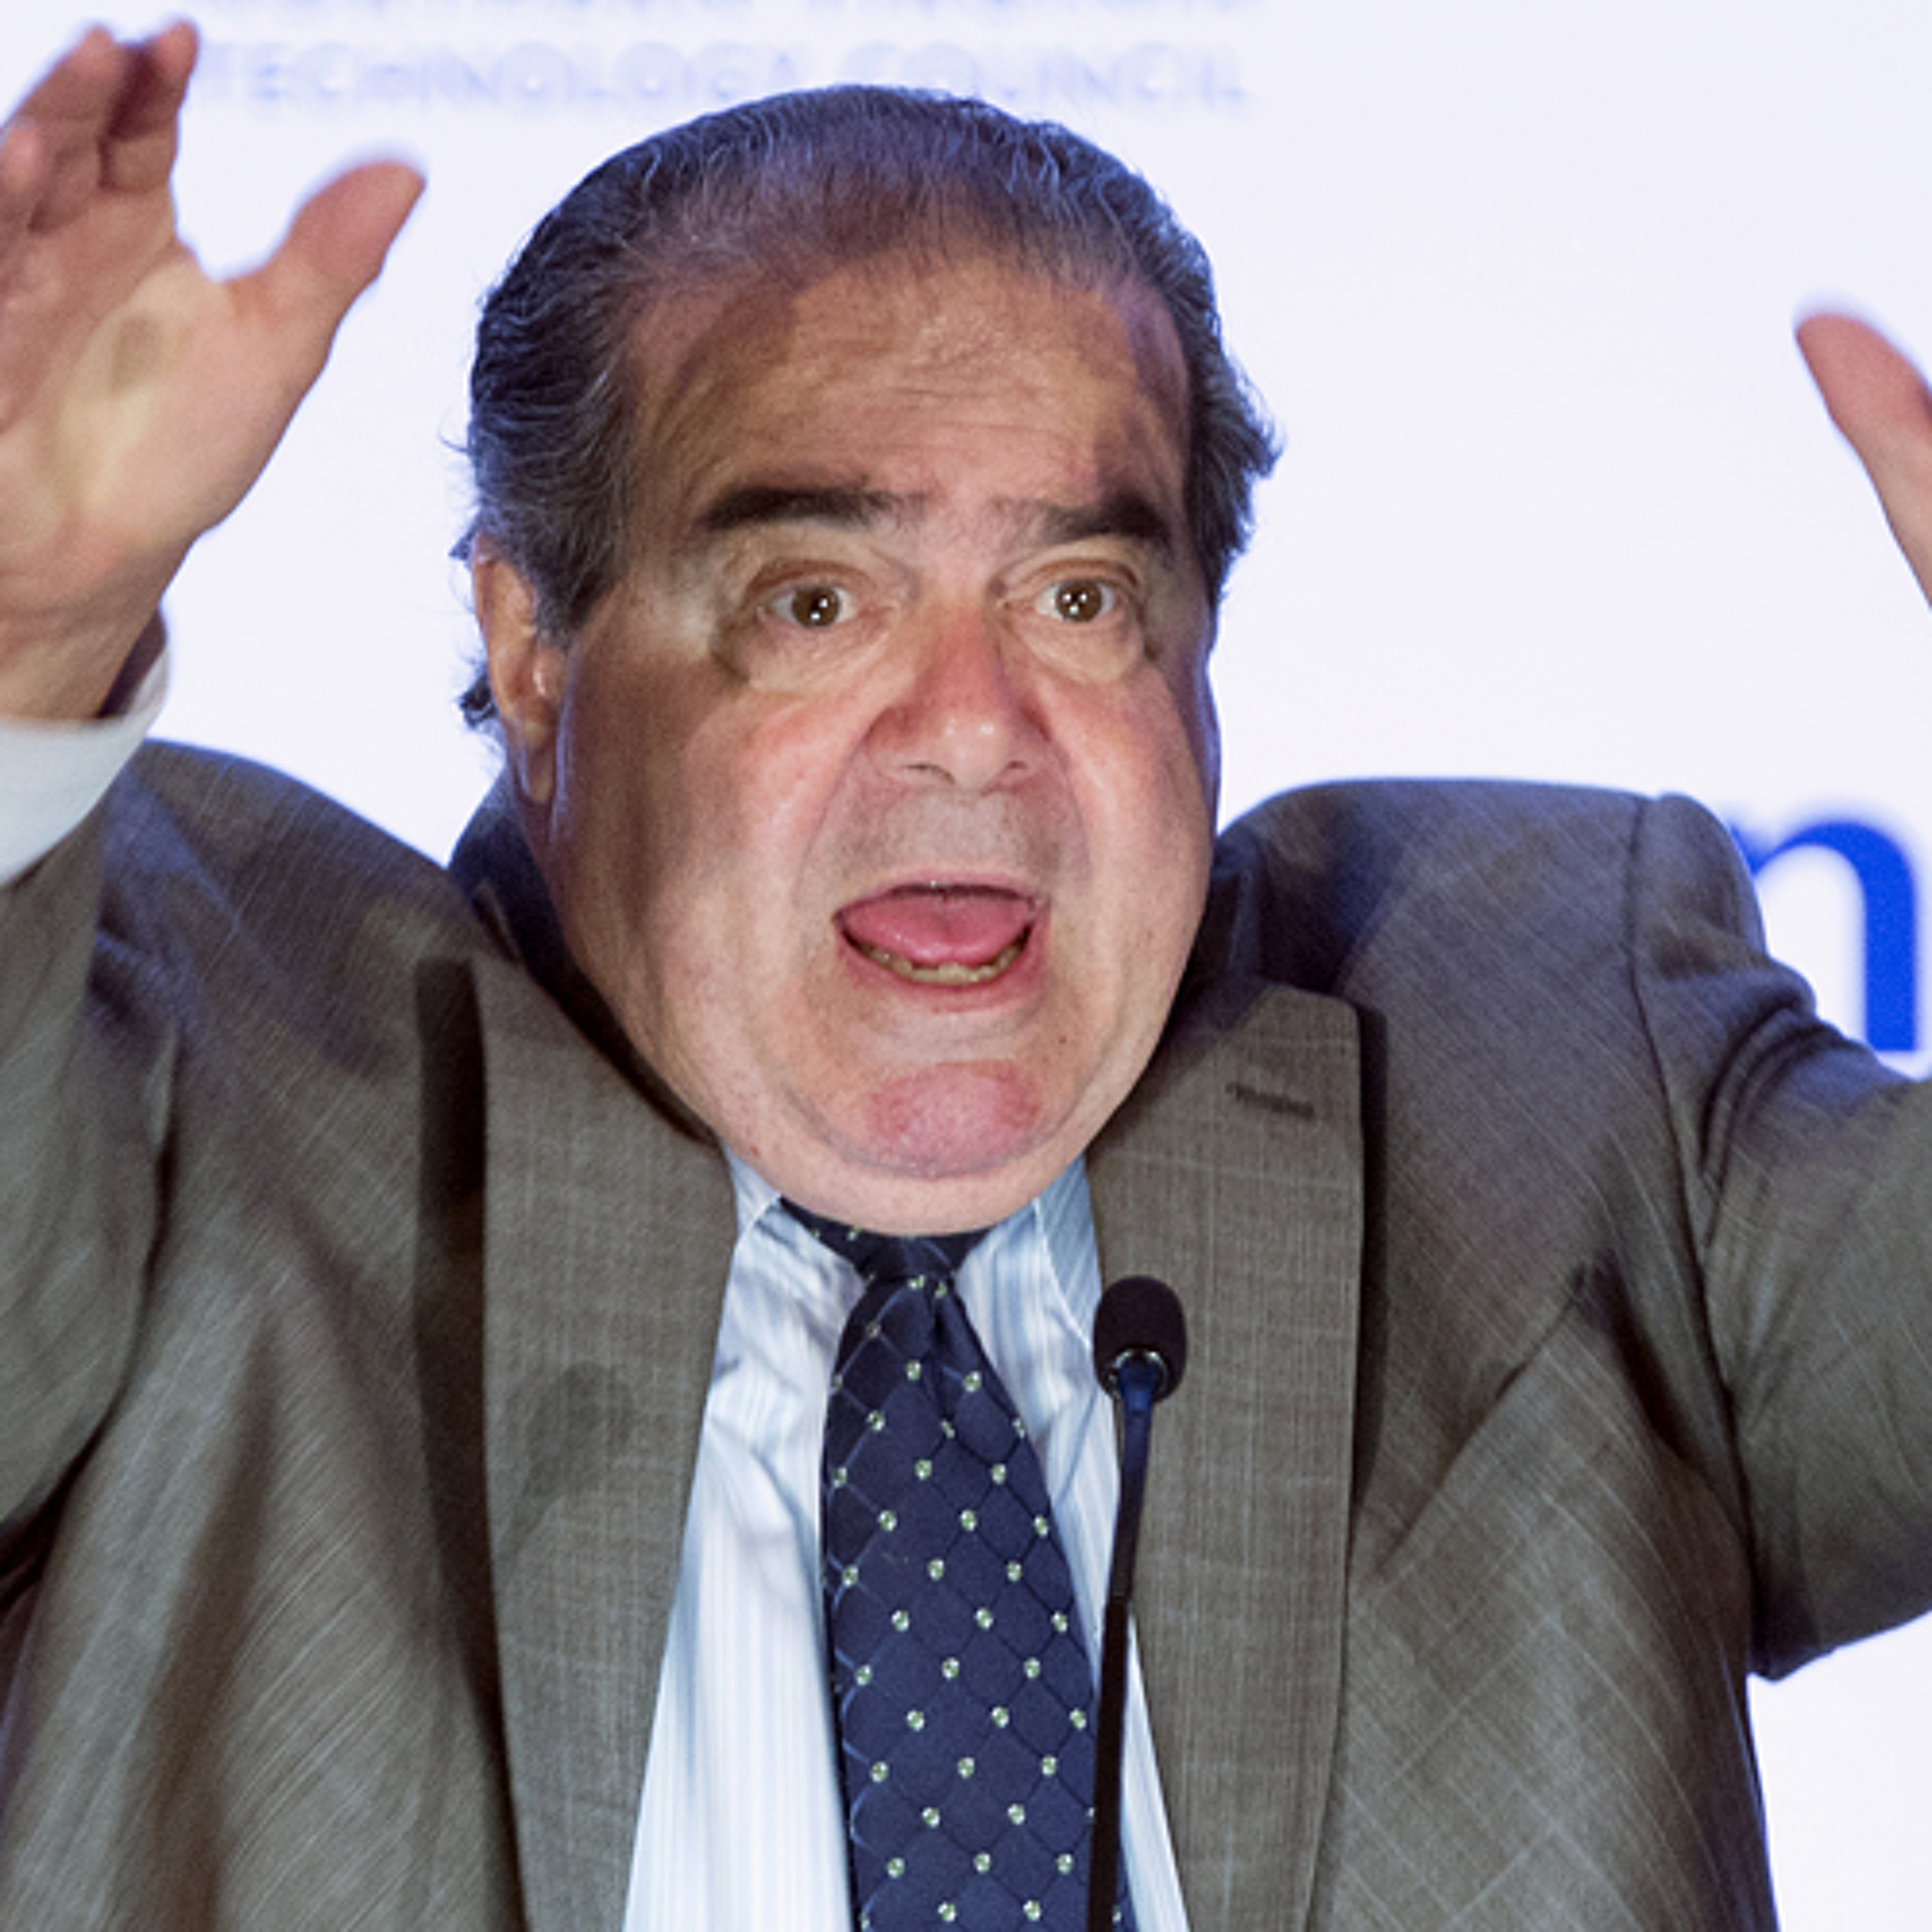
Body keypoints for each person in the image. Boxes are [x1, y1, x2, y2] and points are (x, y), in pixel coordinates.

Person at [1, 20, 1929, 1931]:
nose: (972, 730)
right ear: (536, 656)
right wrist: (26, 635)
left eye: (1080, 601)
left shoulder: (1548, 1052)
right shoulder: (193, 1064)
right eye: (817, 601)